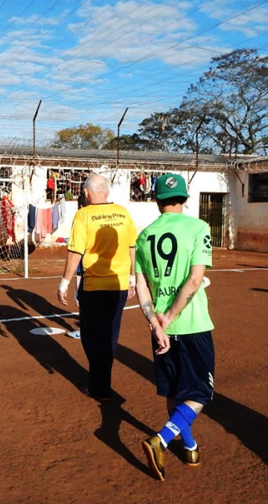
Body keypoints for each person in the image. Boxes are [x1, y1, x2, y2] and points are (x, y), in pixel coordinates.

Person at [134, 173, 215, 480]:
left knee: (174, 390)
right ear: (185, 198)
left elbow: (140, 286)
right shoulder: (198, 227)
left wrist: (155, 321)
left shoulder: (144, 236)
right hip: (192, 325)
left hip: (160, 331)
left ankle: (190, 446)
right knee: (199, 393)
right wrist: (171, 315)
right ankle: (162, 440)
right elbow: (195, 280)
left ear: (156, 200)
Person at [56, 173, 137, 401]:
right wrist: (132, 277)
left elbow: (75, 252)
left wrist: (64, 282)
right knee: (110, 333)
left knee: (91, 336)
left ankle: (99, 384)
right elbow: (133, 247)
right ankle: (102, 381)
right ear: (107, 191)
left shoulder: (84, 215)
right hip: (119, 285)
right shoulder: (123, 212)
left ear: (85, 192)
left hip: (93, 286)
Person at [66, 189, 89, 340]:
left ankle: (84, 330)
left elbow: (76, 251)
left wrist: (64, 282)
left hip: (83, 269)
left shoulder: (81, 218)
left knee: (82, 301)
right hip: (96, 269)